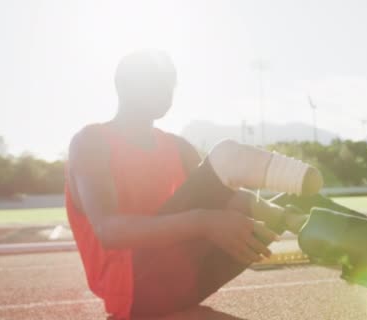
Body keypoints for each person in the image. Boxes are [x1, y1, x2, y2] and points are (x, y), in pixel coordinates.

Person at [65, 50, 324, 319]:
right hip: (132, 289)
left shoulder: (178, 147)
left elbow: (227, 198)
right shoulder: (92, 142)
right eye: (156, 81)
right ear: (124, 85)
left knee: (277, 206)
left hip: (178, 282)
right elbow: (109, 230)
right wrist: (205, 222)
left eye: (170, 82)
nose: (167, 90)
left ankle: (335, 237)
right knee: (225, 160)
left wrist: (289, 219)